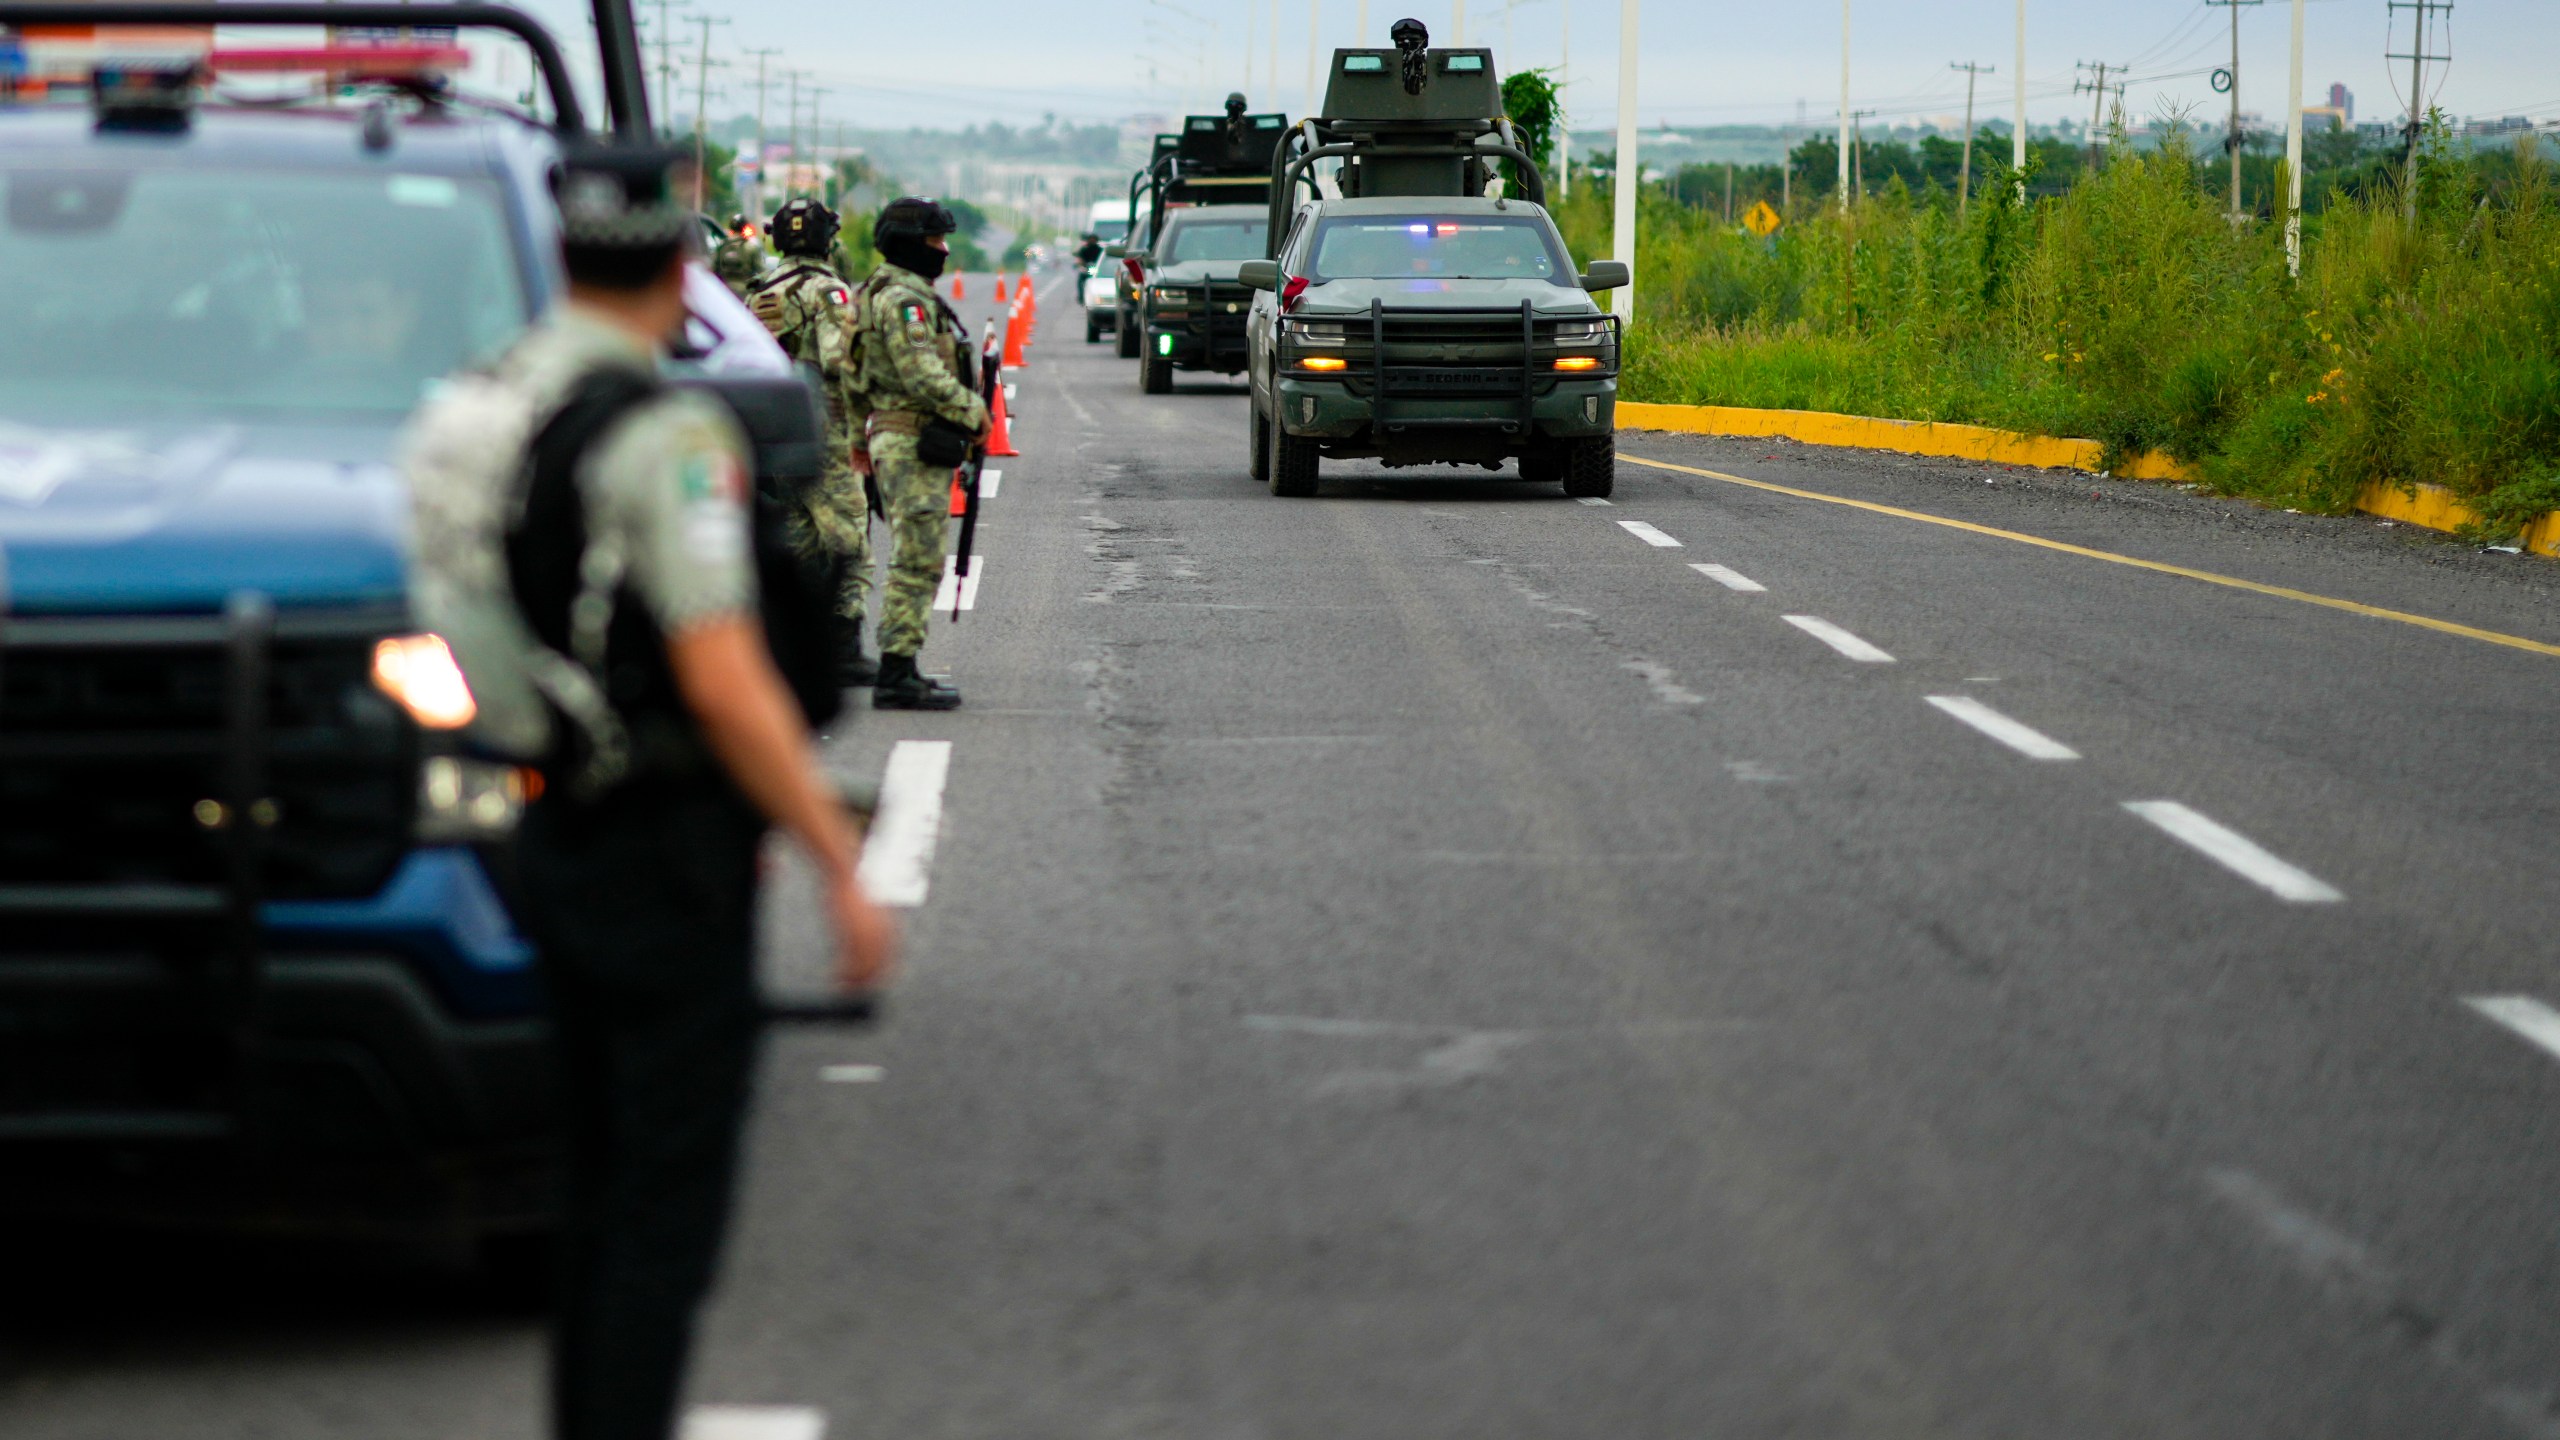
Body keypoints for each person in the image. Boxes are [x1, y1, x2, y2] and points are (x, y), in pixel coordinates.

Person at [411, 142, 897, 1440]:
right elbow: (726, 671)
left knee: (588, 1191)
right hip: (664, 848)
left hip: (542, 821)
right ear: (683, 263)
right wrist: (834, 859)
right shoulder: (664, 430)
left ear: (558, 251)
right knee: (660, 1215)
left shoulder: (471, 405)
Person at [845, 196, 984, 711]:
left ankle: (899, 667)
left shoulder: (872, 291)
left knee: (913, 552)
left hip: (889, 437)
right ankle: (897, 672)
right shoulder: (905, 301)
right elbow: (920, 371)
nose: (944, 251)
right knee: (917, 558)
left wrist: (861, 443)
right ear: (910, 245)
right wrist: (974, 411)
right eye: (935, 242)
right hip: (910, 440)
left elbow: (853, 373)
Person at [746, 197, 875, 686]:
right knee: (846, 538)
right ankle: (842, 647)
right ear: (828, 239)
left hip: (775, 434)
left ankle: (794, 648)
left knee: (798, 541)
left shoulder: (760, 293)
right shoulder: (830, 292)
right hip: (826, 432)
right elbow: (840, 363)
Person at [709, 213, 763, 297]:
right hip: (744, 294)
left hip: (724, 292)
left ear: (731, 227)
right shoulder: (751, 247)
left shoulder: (721, 246)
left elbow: (713, 270)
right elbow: (761, 271)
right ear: (745, 228)